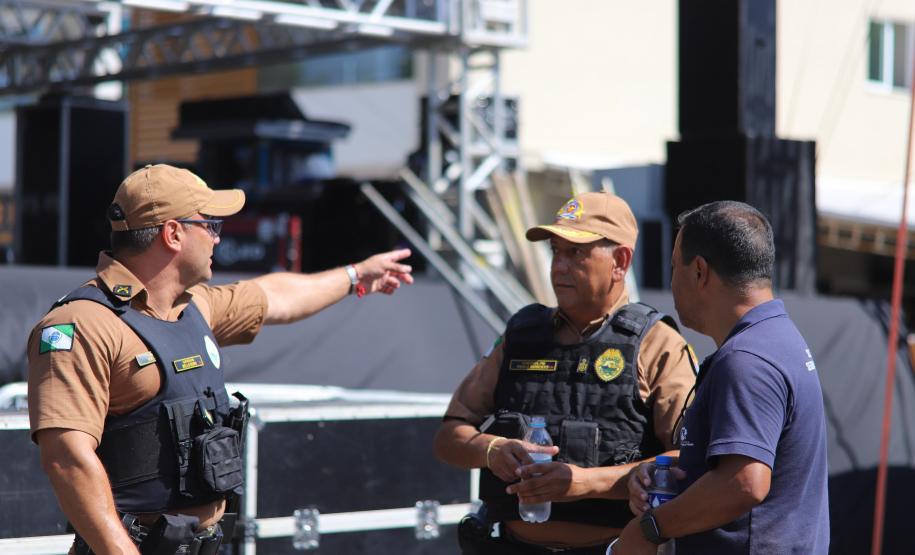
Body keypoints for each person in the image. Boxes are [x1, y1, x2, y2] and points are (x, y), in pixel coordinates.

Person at [26, 164, 414, 555]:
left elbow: (274, 295)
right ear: (173, 233)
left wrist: (356, 275)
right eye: (209, 225)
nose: (216, 237)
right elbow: (66, 459)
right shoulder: (81, 324)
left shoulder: (193, 306)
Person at [433, 191, 697, 554]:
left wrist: (585, 483)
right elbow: (449, 436)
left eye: (576, 253)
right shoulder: (521, 334)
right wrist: (493, 450)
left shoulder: (656, 344)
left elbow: (689, 459)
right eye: (556, 251)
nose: (559, 266)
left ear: (620, 261)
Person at [615, 201, 829, 554]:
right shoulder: (777, 339)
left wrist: (650, 528)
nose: (671, 282)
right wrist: (669, 469)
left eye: (674, 268)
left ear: (699, 271)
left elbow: (744, 482)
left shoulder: (746, 359)